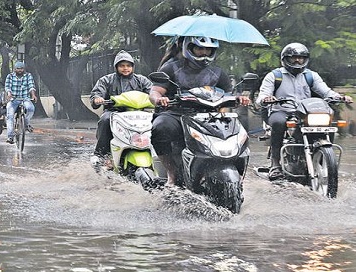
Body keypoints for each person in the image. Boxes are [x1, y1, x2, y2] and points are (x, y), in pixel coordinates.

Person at [149, 36, 250, 185]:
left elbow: (229, 94)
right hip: (177, 113)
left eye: (208, 50)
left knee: (240, 132)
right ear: (189, 48)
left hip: (209, 116)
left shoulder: (217, 72)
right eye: (199, 48)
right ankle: (172, 173)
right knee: (160, 127)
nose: (204, 53)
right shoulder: (171, 68)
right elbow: (155, 92)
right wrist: (159, 99)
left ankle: (238, 174)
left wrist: (239, 99)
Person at [255, 42, 353, 180]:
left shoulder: (311, 76)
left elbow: (325, 91)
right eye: (293, 58)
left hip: (304, 112)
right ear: (285, 59)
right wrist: (266, 99)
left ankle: (323, 160)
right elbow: (262, 96)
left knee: (327, 124)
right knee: (278, 123)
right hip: (282, 111)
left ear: (305, 59)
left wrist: (339, 97)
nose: (297, 61)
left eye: (301, 58)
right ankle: (275, 165)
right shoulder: (275, 76)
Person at [89, 50, 153, 166]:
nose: (125, 68)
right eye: (122, 66)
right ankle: (101, 154)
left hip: (138, 114)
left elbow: (153, 92)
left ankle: (158, 153)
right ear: (116, 67)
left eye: (128, 65)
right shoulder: (106, 80)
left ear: (133, 67)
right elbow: (97, 93)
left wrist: (160, 98)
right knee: (105, 120)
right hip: (114, 113)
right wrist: (97, 98)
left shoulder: (141, 80)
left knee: (158, 121)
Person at [5, 61, 37, 144]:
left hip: (25, 98)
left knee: (31, 108)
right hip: (13, 100)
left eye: (21, 68)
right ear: (14, 69)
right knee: (10, 116)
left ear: (24, 69)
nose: (20, 70)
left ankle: (26, 124)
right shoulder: (10, 76)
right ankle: (10, 136)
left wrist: (33, 95)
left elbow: (31, 86)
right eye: (18, 68)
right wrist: (9, 94)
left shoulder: (28, 75)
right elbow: (7, 87)